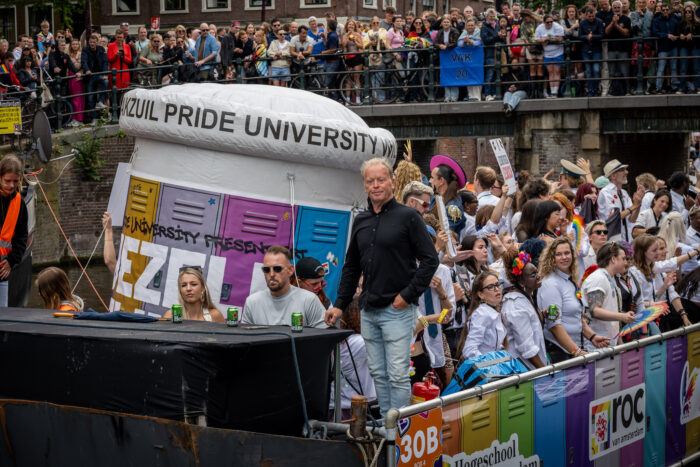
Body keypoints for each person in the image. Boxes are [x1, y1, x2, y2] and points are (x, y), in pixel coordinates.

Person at [326, 158, 439, 417]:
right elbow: (351, 266)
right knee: (378, 372)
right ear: (364, 185)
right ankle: (390, 425)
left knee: (397, 373)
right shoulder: (361, 220)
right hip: (369, 310)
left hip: (397, 310)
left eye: (381, 180)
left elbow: (430, 260)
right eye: (370, 181)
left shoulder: (409, 217)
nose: (376, 185)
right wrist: (340, 304)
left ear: (392, 181)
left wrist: (407, 295)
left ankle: (398, 429)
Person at [538, 237, 610, 362]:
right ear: (551, 258)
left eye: (567, 253)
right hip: (560, 354)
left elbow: (577, 317)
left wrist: (592, 337)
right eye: (558, 254)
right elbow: (554, 325)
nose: (564, 257)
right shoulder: (551, 284)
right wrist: (576, 352)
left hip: (574, 352)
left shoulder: (570, 280)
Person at [242, 245, 326, 327]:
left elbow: (324, 334)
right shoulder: (252, 302)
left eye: (277, 269)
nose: (271, 274)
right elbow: (244, 335)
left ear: (290, 270)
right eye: (266, 270)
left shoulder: (309, 300)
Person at [581, 242, 635, 351]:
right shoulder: (598, 278)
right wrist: (622, 316)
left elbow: (610, 310)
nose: (626, 262)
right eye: (623, 259)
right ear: (613, 259)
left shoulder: (609, 278)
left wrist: (619, 343)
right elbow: (595, 311)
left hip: (608, 345)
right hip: (596, 346)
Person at [329, 297, 377, 421]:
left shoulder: (344, 340)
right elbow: (396, 340)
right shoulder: (359, 342)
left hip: (338, 405)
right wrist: (425, 320)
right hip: (350, 408)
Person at [501, 249, 547, 369]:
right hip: (526, 371)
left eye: (537, 272)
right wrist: (545, 371)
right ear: (521, 281)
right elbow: (526, 348)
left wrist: (543, 315)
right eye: (532, 275)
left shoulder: (526, 296)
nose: (538, 276)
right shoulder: (515, 304)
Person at [457, 271, 506, 361]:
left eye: (498, 284)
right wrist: (489, 363)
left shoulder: (492, 310)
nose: (496, 289)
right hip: (485, 367)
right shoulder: (481, 314)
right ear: (481, 295)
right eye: (490, 287)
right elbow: (469, 350)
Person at [0, 156, 28, 307]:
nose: (11, 185)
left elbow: (21, 237)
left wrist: (12, 261)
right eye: (7, 181)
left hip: (2, 272)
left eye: (15, 181)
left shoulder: (19, 203)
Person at [598, 159, 643, 242]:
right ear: (613, 176)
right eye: (622, 170)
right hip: (612, 240)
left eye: (625, 169)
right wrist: (634, 206)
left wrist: (638, 204)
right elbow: (614, 218)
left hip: (627, 240)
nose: (626, 172)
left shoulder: (624, 193)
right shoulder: (605, 192)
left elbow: (632, 219)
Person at [429, 154, 467, 235]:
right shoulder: (436, 197)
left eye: (432, 177)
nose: (430, 181)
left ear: (441, 181)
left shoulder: (453, 206)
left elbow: (447, 234)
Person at [652, 2, 681, 94]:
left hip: (673, 47)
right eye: (663, 10)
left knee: (674, 68)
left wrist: (676, 36)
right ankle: (658, 88)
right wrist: (667, 35)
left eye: (667, 10)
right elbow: (655, 32)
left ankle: (674, 87)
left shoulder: (674, 20)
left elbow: (678, 31)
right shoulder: (657, 20)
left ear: (669, 10)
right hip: (663, 48)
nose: (665, 11)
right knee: (661, 68)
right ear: (661, 11)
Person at [536, 14, 565, 98]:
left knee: (557, 71)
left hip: (558, 52)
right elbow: (537, 39)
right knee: (550, 72)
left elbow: (560, 38)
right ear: (543, 22)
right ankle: (552, 91)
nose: (550, 23)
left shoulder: (557, 26)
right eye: (547, 22)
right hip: (547, 53)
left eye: (551, 22)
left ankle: (555, 92)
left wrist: (548, 40)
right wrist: (543, 39)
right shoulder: (539, 28)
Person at [82, 34, 108, 122]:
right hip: (90, 75)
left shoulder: (101, 49)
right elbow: (84, 61)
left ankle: (100, 102)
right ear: (88, 42)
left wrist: (105, 74)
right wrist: (87, 70)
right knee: (90, 97)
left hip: (99, 73)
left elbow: (105, 62)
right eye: (90, 42)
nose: (92, 44)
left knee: (106, 81)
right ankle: (94, 118)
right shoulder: (85, 50)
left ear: (97, 42)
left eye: (94, 42)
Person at [580, 6, 605, 96]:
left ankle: (595, 89)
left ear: (594, 14)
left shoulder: (599, 21)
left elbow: (602, 34)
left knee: (596, 70)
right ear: (586, 15)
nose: (591, 18)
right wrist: (587, 37)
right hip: (586, 49)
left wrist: (592, 36)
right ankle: (590, 90)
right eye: (589, 16)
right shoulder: (582, 23)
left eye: (592, 16)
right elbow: (580, 36)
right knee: (588, 70)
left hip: (596, 49)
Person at [481, 8, 505, 101]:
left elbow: (501, 39)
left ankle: (495, 93)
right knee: (489, 75)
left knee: (496, 75)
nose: (492, 18)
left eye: (493, 16)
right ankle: (487, 94)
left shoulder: (497, 26)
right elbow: (485, 40)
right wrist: (497, 36)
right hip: (489, 54)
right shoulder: (484, 27)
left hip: (498, 54)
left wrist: (502, 37)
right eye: (490, 16)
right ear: (487, 17)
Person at [436, 15, 460, 102]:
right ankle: (447, 96)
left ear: (450, 23)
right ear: (442, 23)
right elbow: (436, 43)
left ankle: (454, 96)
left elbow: (455, 43)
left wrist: (447, 46)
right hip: (444, 56)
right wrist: (439, 45)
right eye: (444, 22)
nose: (446, 23)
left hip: (453, 56)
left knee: (453, 75)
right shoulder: (440, 32)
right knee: (445, 75)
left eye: (447, 22)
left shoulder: (455, 31)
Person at [458, 18, 483, 101]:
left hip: (476, 58)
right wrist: (464, 42)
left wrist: (470, 41)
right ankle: (471, 96)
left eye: (472, 25)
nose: (470, 27)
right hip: (468, 59)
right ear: (466, 26)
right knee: (469, 76)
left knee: (476, 75)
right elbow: (459, 43)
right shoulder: (464, 33)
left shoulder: (478, 32)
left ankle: (477, 96)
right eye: (468, 25)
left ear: (474, 26)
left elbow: (478, 42)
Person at [340, 19, 364, 104]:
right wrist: (347, 36)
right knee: (348, 79)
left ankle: (358, 98)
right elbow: (343, 45)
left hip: (357, 57)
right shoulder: (344, 35)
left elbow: (361, 46)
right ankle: (347, 99)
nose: (351, 26)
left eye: (352, 25)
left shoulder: (357, 34)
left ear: (354, 26)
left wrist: (355, 41)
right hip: (348, 57)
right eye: (349, 24)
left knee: (356, 77)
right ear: (347, 26)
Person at [66, 39, 84, 126]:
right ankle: (73, 118)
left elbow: (78, 66)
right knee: (72, 99)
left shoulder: (81, 54)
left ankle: (79, 119)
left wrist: (72, 61)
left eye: (77, 44)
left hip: (77, 77)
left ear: (79, 45)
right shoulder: (69, 54)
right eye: (73, 44)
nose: (75, 46)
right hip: (70, 77)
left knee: (78, 99)